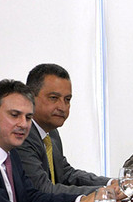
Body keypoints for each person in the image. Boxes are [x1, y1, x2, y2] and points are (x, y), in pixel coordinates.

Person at [0, 79, 101, 202]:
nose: (23, 124)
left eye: (28, 117)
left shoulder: (11, 154)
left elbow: (31, 197)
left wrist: (79, 201)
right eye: (15, 115)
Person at [16, 63, 112, 194]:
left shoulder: (51, 133)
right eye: (54, 98)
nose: (62, 107)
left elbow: (66, 174)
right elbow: (43, 189)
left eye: (67, 99)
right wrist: (104, 192)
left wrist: (110, 183)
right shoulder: (22, 136)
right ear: (30, 98)